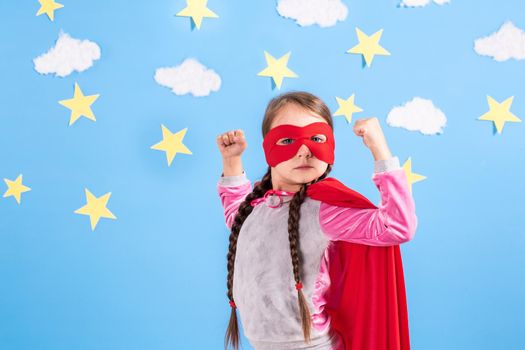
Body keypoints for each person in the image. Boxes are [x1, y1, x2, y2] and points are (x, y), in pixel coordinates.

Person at [216, 91, 418, 350]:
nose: (304, 152)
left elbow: (397, 226)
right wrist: (231, 161)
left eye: (316, 138)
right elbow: (236, 219)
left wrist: (379, 148)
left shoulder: (325, 210)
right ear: (268, 147)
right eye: (287, 139)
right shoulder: (255, 206)